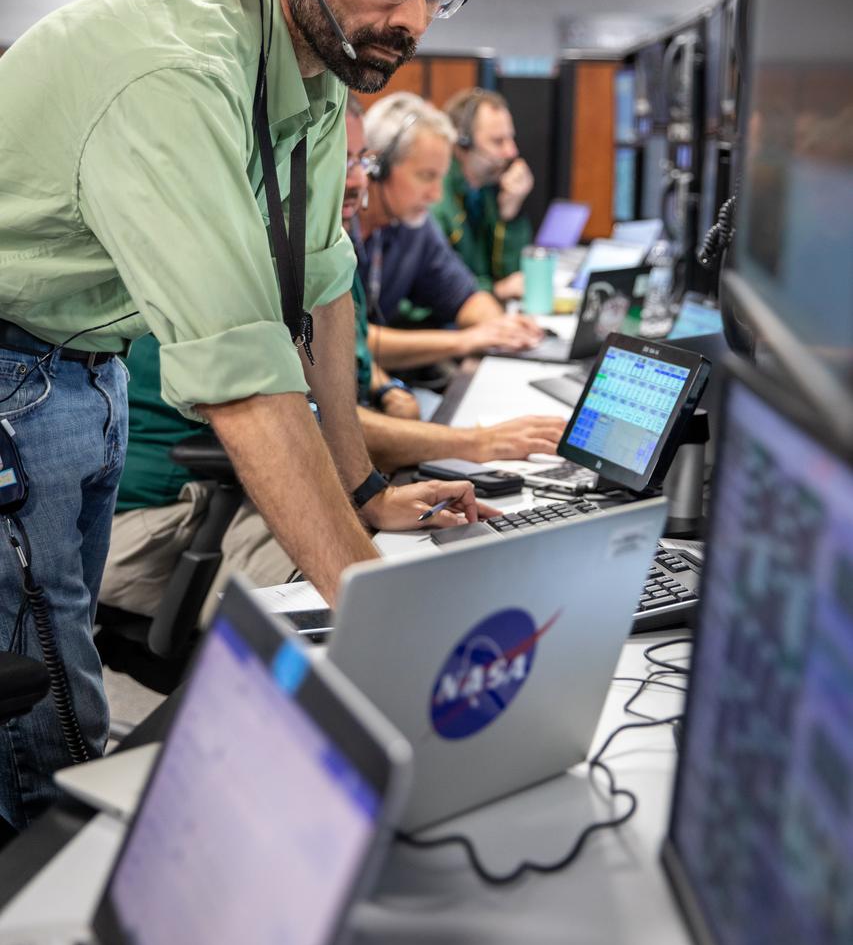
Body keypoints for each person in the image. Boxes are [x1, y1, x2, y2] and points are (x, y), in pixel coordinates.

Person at [0, 0, 484, 828]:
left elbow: (322, 294)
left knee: (60, 656)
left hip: (85, 364)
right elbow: (248, 383)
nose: (411, 17)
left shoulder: (308, 60)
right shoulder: (178, 68)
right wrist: (388, 631)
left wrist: (360, 493)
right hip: (12, 371)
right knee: (41, 721)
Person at [100, 95, 565, 620]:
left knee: (427, 558)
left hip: (236, 489)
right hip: (175, 511)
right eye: (338, 159)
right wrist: (477, 443)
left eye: (359, 161)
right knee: (387, 598)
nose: (357, 180)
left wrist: (386, 404)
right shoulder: (252, 260)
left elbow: (341, 387)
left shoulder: (324, 251)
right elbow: (307, 426)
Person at [352, 92, 543, 374]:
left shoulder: (415, 227)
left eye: (440, 177)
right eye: (426, 176)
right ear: (377, 167)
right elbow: (347, 343)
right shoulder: (336, 229)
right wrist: (465, 340)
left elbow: (465, 295)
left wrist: (501, 327)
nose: (436, 194)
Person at [436, 88, 535, 301]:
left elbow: (510, 276)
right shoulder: (435, 197)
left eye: (511, 139)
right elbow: (436, 289)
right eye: (498, 141)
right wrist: (496, 291)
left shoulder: (487, 192)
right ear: (463, 144)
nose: (512, 152)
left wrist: (510, 215)